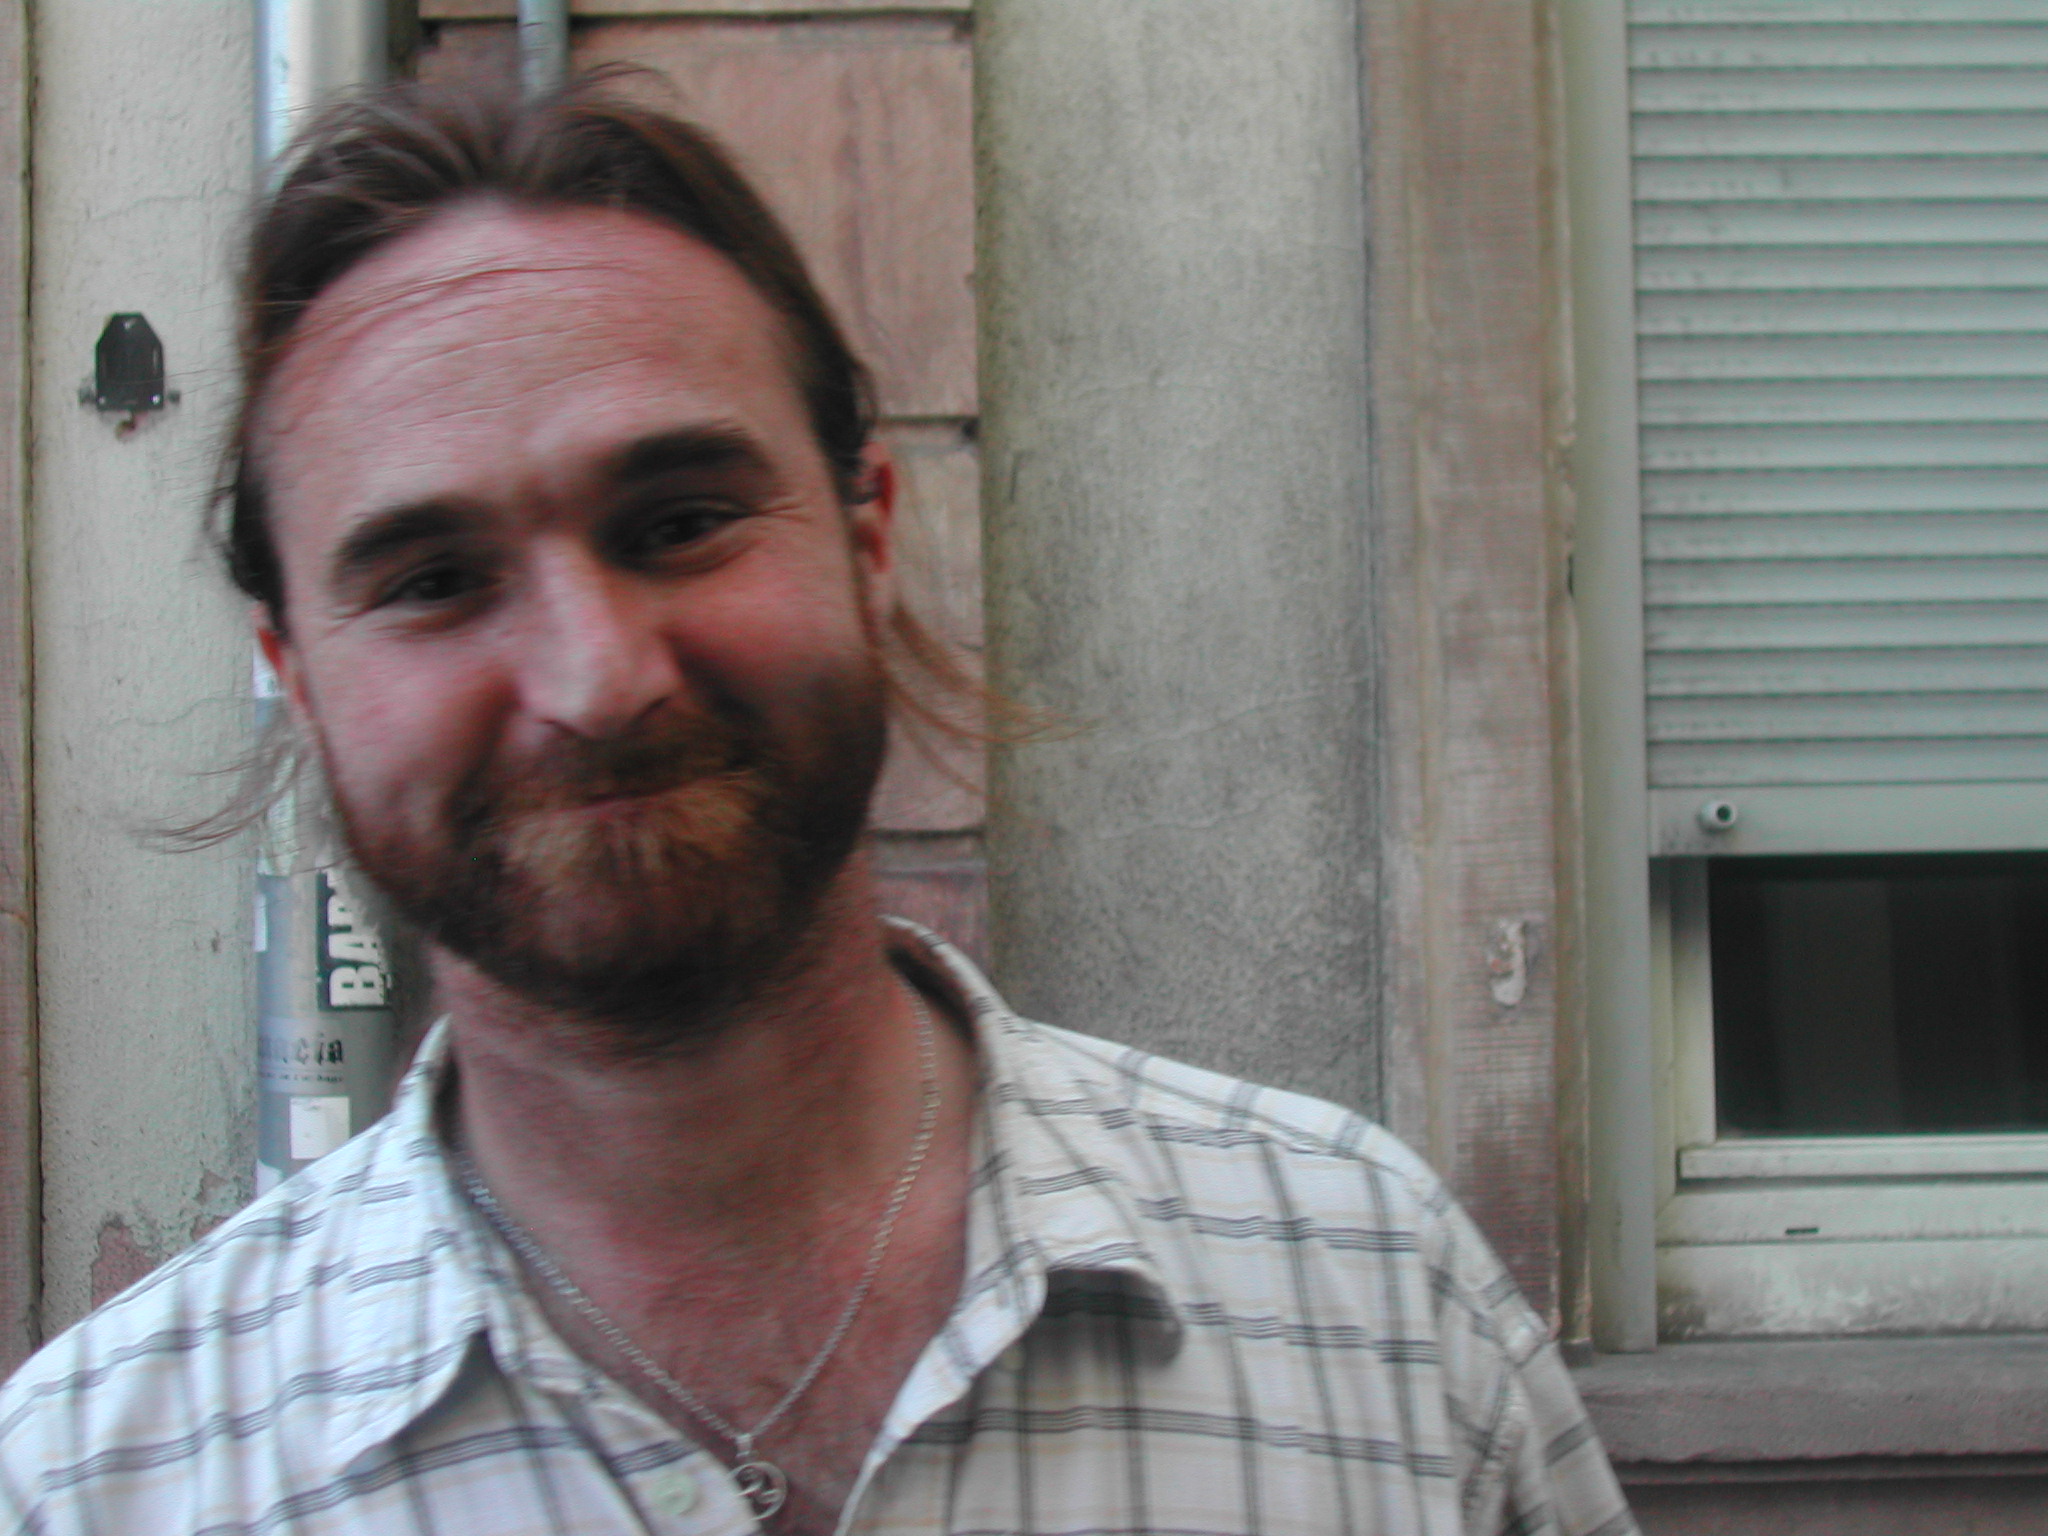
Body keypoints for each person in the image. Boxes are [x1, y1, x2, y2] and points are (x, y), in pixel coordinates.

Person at [0, 80, 1637, 1536]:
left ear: (866, 542)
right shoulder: (98, 1481)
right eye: (433, 579)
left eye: (681, 520)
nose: (594, 680)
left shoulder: (1375, 1300)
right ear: (293, 672)